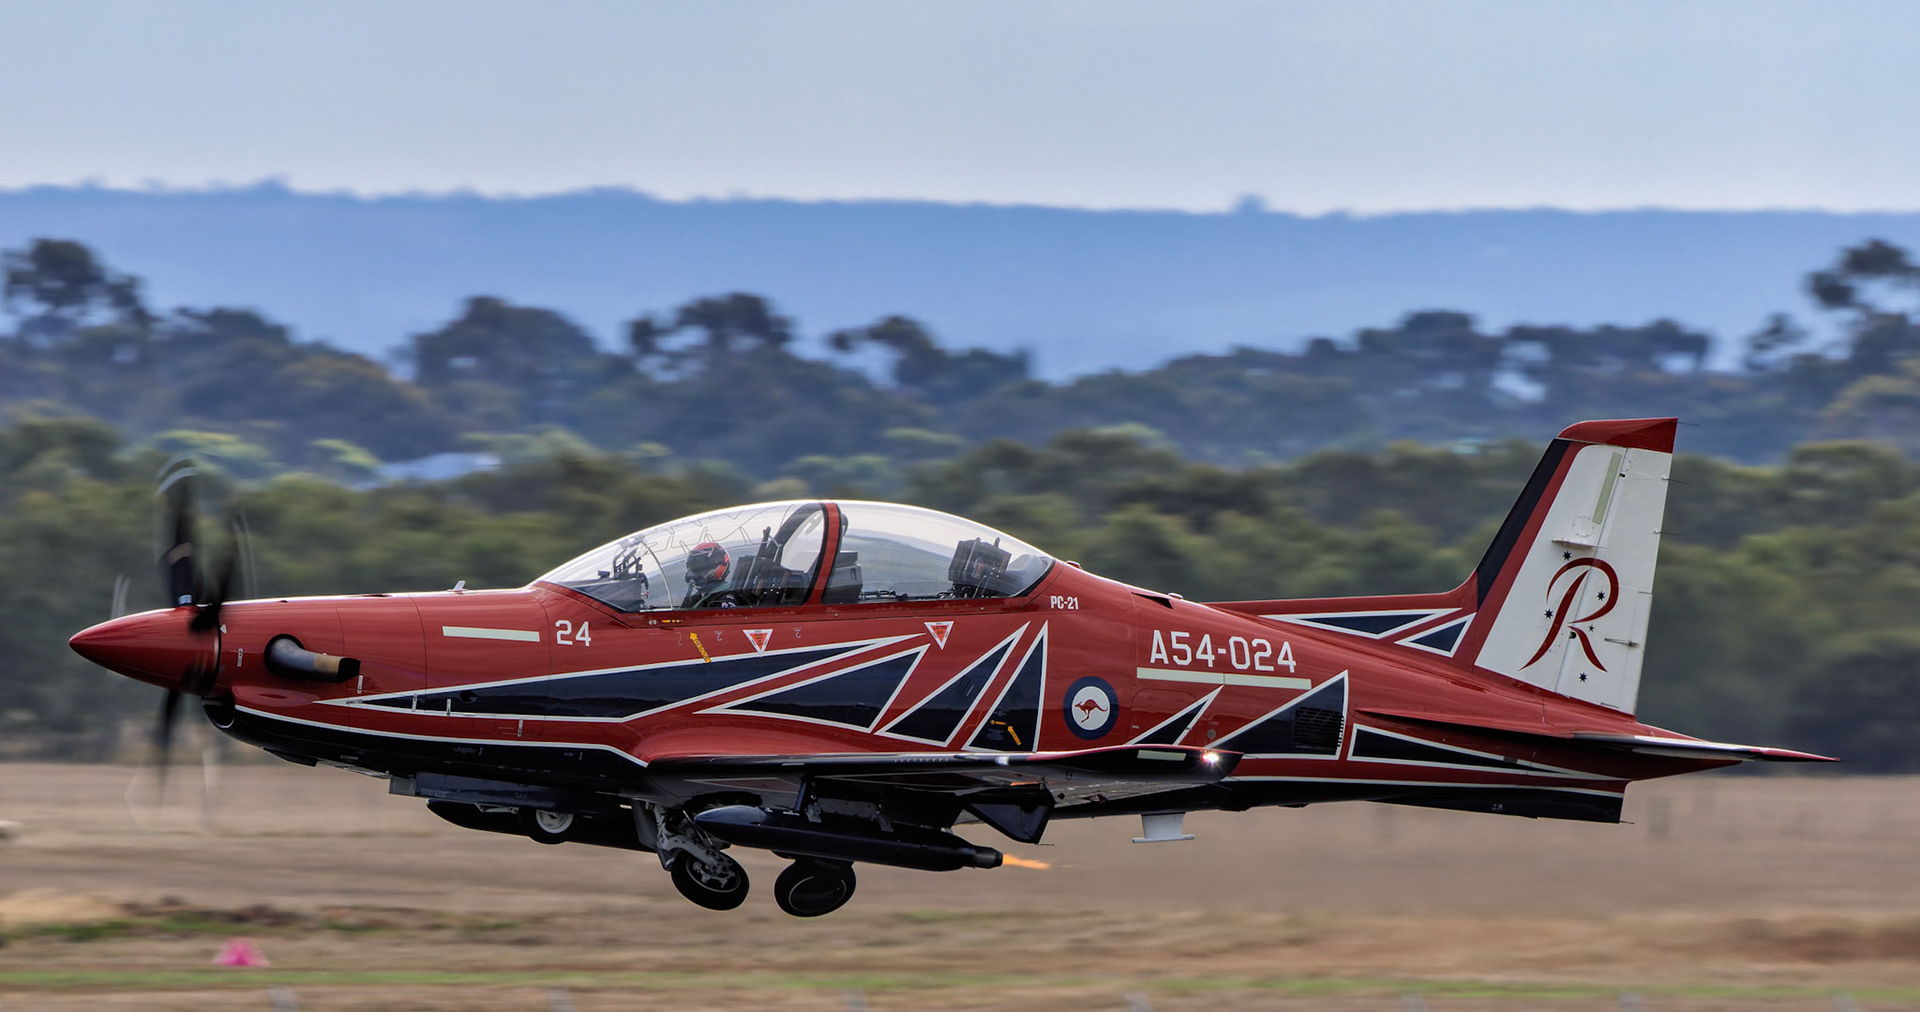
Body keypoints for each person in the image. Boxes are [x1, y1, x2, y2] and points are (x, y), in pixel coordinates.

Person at [682, 541, 734, 607]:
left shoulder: (724, 600)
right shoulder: (698, 596)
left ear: (717, 569)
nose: (690, 574)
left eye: (698, 569)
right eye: (691, 569)